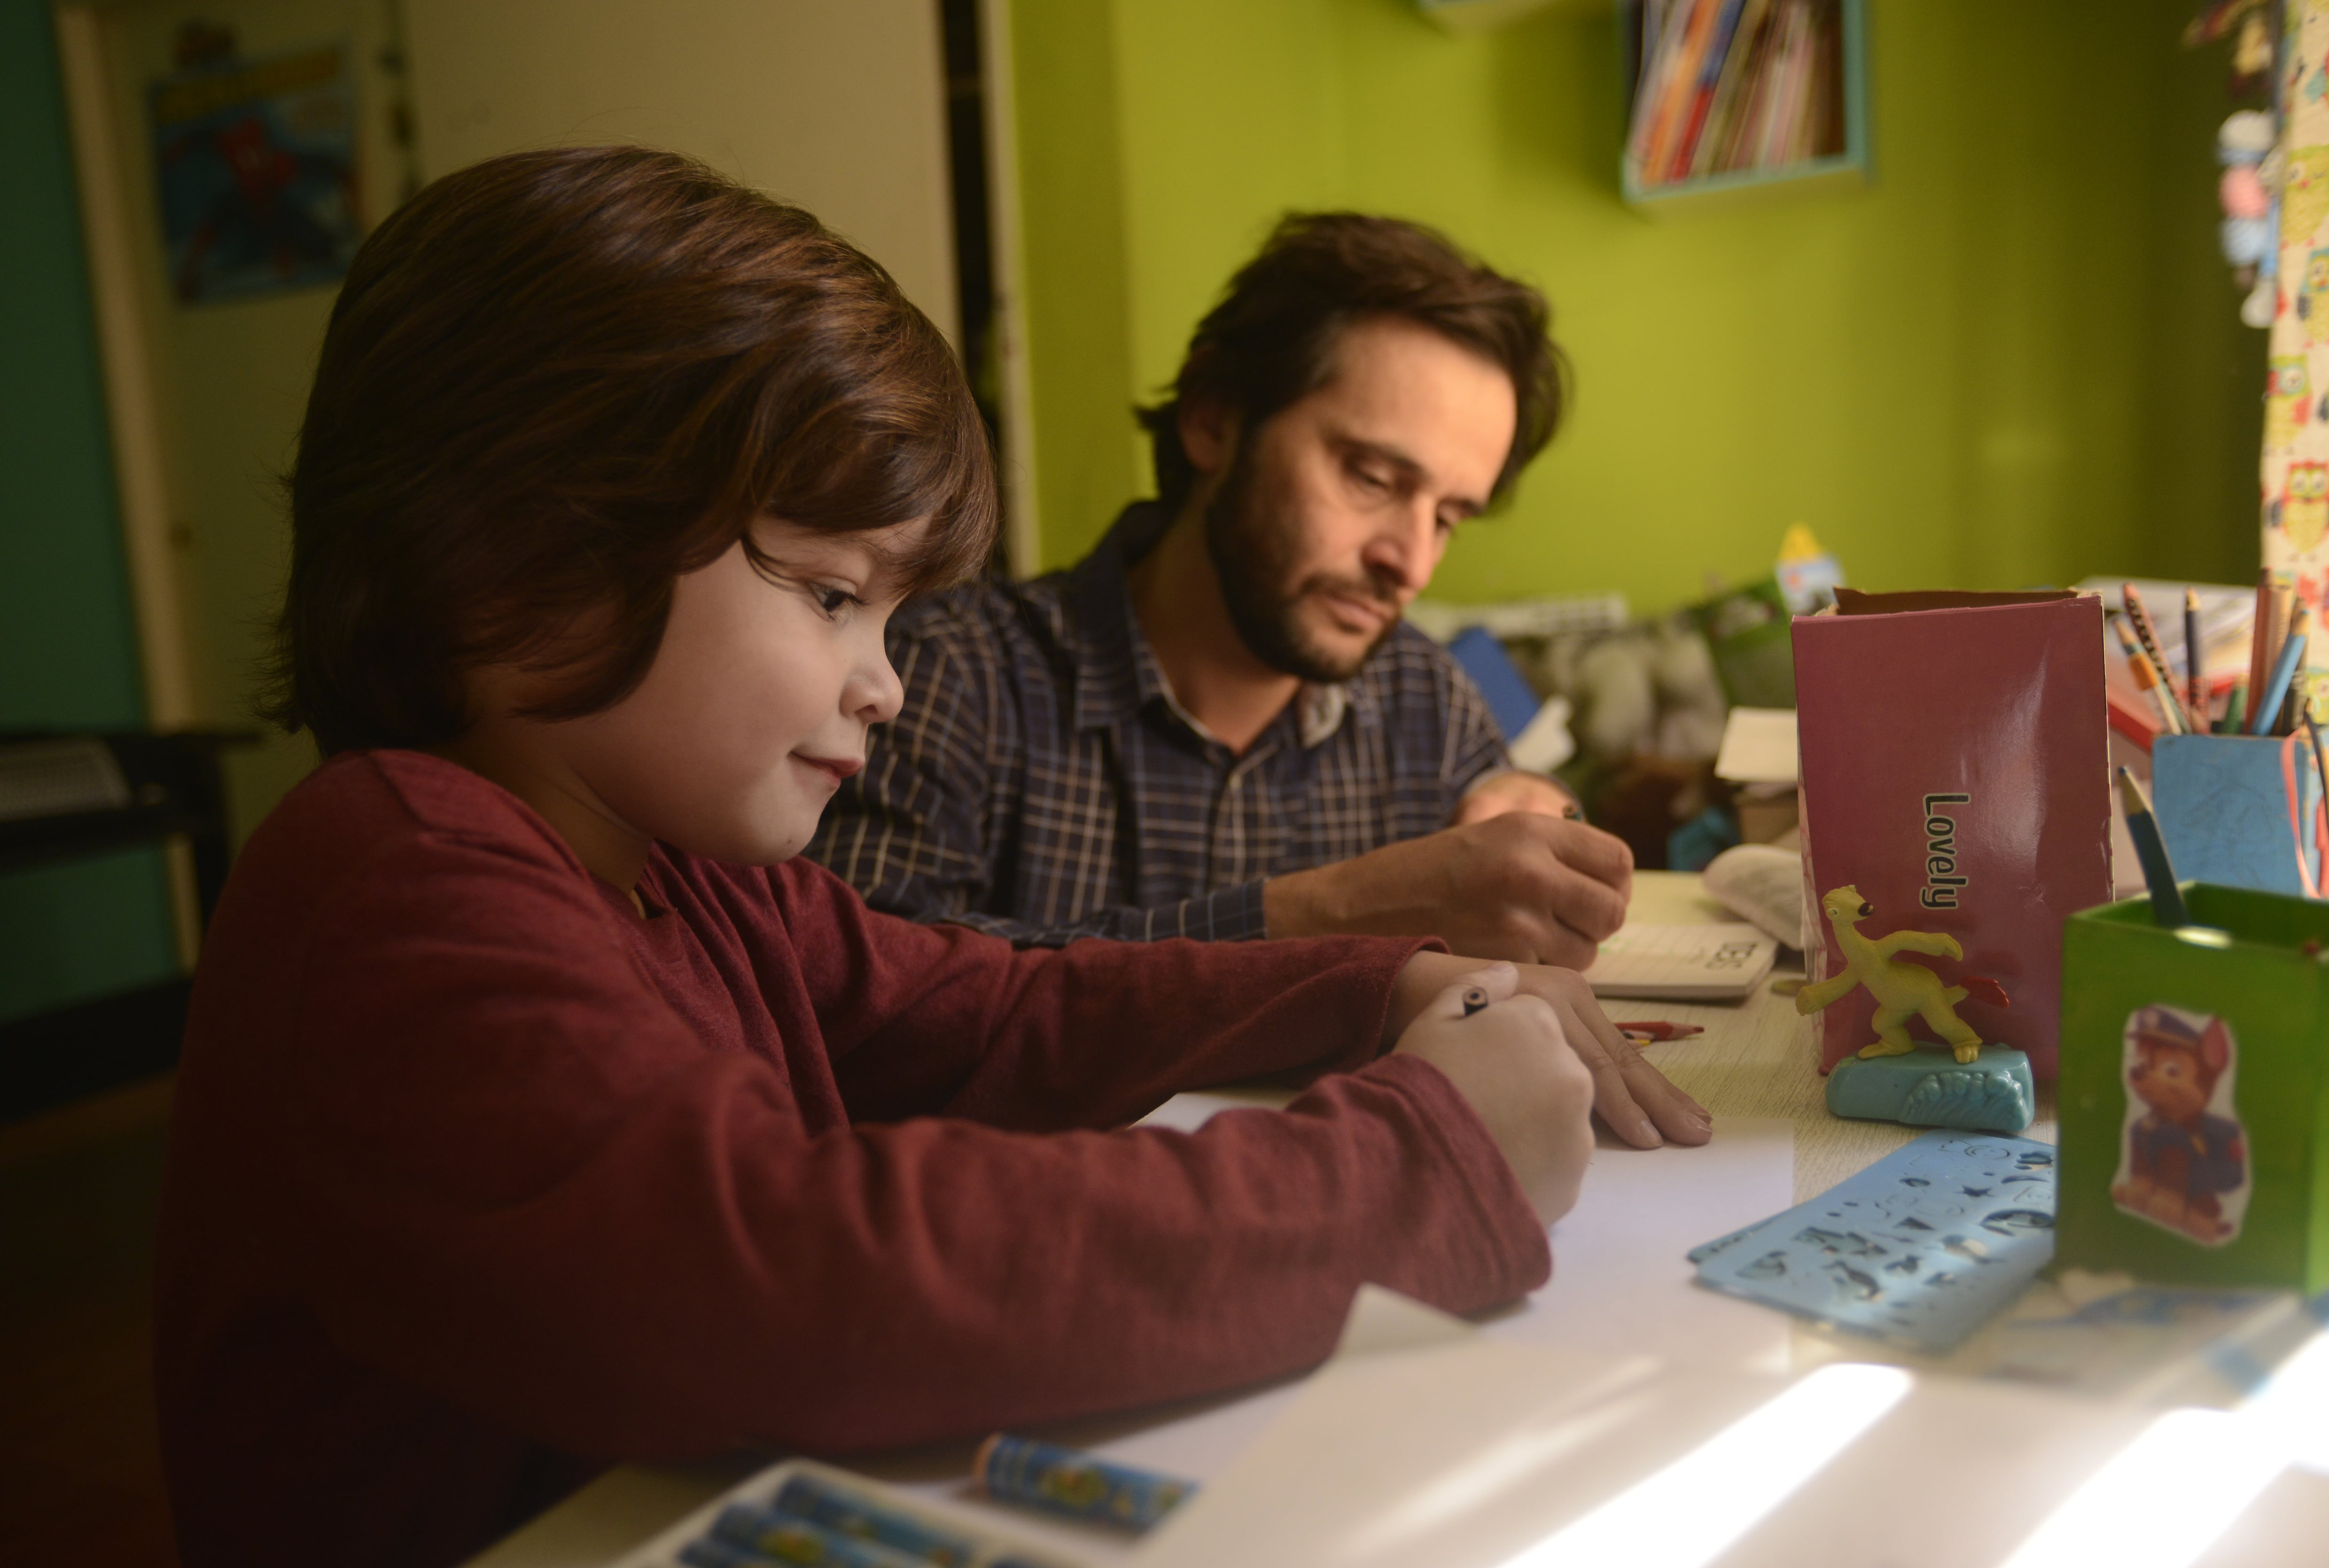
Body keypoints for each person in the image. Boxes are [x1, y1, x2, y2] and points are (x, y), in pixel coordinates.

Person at [155, 148, 1708, 1568]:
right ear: (517, 555)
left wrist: (1383, 983)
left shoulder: (691, 866)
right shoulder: (391, 879)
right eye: (833, 593)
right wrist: (1420, 1157)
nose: (884, 681)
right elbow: (789, 1280)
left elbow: (1000, 1006)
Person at [810, 214, 1638, 982]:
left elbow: (1531, 816)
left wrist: (1544, 816)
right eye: (1373, 477)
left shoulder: (1426, 700)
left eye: (1450, 517)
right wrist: (1313, 918)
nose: (1412, 563)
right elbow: (862, 988)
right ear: (1212, 420)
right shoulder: (942, 675)